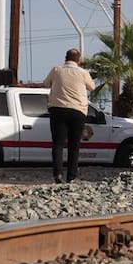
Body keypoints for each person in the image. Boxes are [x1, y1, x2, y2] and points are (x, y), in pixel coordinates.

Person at [42, 48, 95, 184]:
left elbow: (46, 83)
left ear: (66, 58)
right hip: (77, 111)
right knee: (74, 145)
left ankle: (58, 174)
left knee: (58, 144)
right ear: (78, 60)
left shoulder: (56, 70)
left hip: (58, 110)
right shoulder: (83, 73)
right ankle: (72, 176)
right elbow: (92, 87)